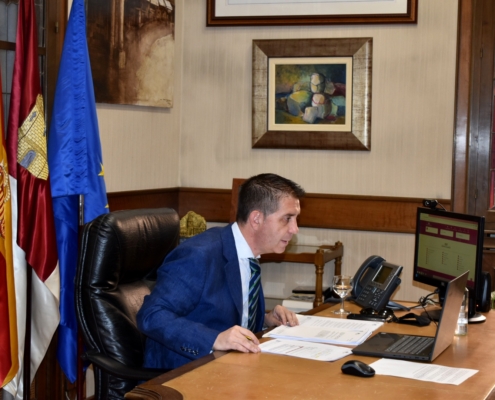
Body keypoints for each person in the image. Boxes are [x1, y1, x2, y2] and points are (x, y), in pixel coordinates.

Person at [137, 173, 306, 369]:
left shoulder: (249, 255)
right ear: (256, 219)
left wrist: (267, 320)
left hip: (234, 367)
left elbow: (228, 316)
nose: (295, 229)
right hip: (185, 373)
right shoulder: (198, 255)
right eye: (287, 219)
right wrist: (214, 339)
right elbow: (151, 315)